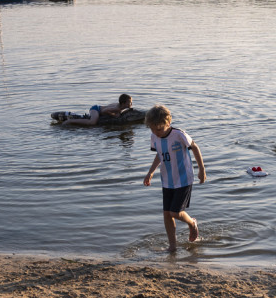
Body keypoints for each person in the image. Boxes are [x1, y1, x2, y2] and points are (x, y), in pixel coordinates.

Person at [142, 105, 206, 252]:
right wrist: (150, 172)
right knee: (166, 214)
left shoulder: (179, 134)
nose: (156, 132)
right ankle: (172, 246)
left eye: (159, 129)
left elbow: (195, 147)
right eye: (152, 129)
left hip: (184, 178)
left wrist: (201, 169)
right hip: (167, 180)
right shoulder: (154, 137)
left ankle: (192, 223)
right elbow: (159, 154)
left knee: (175, 212)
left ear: (168, 123)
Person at [66, 94, 133, 126]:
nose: (131, 104)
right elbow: (104, 111)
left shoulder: (120, 106)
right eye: (130, 103)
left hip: (98, 109)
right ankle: (70, 121)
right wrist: (113, 115)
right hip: (96, 109)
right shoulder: (117, 108)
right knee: (92, 122)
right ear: (124, 103)